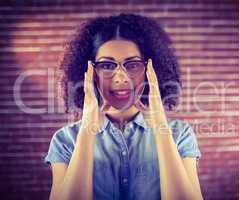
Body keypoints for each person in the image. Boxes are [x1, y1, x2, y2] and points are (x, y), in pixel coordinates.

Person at [44, 13, 203, 200]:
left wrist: (160, 123)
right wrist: (87, 128)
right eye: (107, 65)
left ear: (150, 69)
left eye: (133, 64)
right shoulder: (65, 140)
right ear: (89, 72)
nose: (121, 77)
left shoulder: (180, 135)